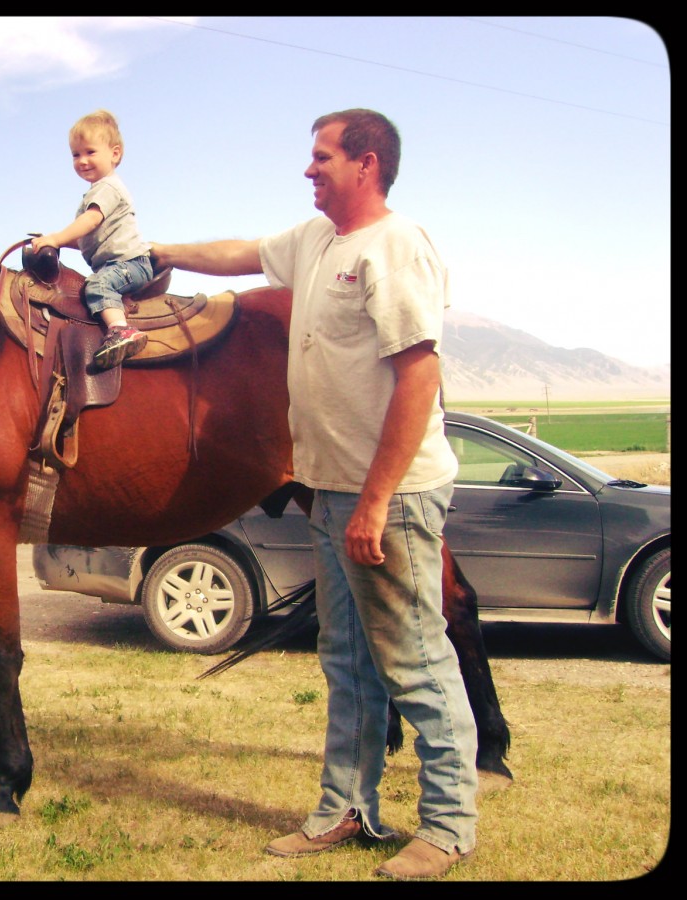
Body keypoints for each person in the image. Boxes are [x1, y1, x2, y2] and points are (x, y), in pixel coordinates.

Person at [151, 109, 477, 881]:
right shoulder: (316, 240)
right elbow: (240, 253)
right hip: (328, 490)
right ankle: (346, 810)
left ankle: (450, 825)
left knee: (416, 661)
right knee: (346, 659)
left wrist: (374, 502)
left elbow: (418, 377)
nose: (309, 169)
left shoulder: (395, 248)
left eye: (321, 157)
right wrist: (160, 249)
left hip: (386, 498)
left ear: (366, 164)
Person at [30, 109, 152, 370]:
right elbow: (86, 238)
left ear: (115, 153)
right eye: (76, 154)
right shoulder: (97, 191)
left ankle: (121, 331)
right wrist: (56, 241)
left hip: (129, 264)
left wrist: (57, 237)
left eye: (90, 152)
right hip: (119, 264)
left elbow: (90, 222)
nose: (82, 160)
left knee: (98, 286)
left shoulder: (108, 187)